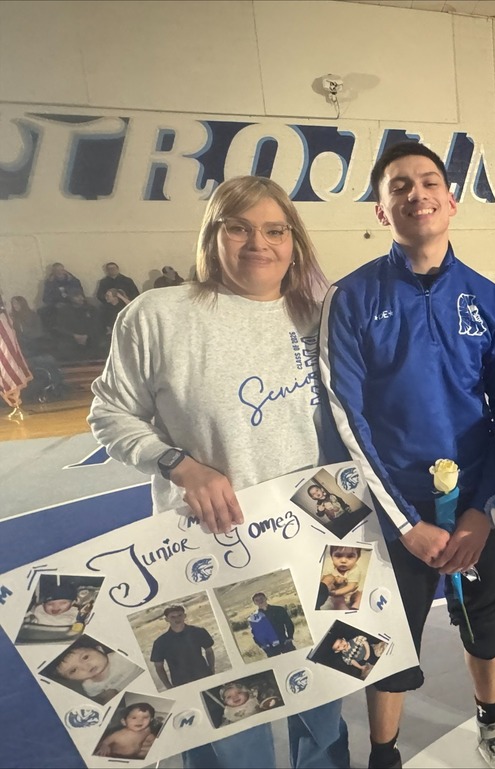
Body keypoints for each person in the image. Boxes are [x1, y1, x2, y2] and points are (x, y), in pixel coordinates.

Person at [87, 174, 349, 769]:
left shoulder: (321, 315)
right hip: (205, 547)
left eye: (274, 229)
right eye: (239, 227)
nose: (259, 242)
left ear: (294, 240)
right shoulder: (157, 315)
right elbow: (109, 414)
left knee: (325, 707)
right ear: (213, 235)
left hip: (316, 543)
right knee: (229, 721)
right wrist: (180, 465)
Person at [321, 141, 495, 769]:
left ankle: (491, 724)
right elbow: (343, 418)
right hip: (386, 512)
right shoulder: (351, 297)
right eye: (399, 187)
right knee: (380, 639)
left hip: (473, 506)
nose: (417, 194)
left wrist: (481, 511)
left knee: (483, 620)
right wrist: (404, 524)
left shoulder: (492, 300)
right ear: (382, 211)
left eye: (429, 181)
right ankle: (383, 756)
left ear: (452, 200)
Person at [150, 604, 215, 689]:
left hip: (204, 676)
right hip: (181, 683)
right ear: (167, 619)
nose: (177, 619)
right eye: (172, 617)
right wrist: (168, 686)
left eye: (180, 615)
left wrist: (212, 669)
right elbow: (159, 666)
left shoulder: (199, 632)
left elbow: (209, 651)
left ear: (185, 616)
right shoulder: (160, 642)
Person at [53, 643, 140, 704]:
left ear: (100, 650)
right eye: (73, 670)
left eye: (85, 657)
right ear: (70, 679)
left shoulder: (121, 657)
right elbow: (107, 695)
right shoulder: (89, 686)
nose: (85, 667)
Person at [53, 288, 106, 360]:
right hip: (71, 337)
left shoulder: (91, 309)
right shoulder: (64, 311)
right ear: (70, 298)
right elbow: (60, 327)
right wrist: (74, 336)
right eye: (77, 296)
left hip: (89, 337)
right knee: (63, 347)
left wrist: (86, 336)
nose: (81, 298)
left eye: (81, 296)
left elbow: (97, 325)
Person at [250, 591, 296, 657]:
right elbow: (255, 634)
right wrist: (262, 646)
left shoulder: (278, 610)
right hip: (270, 648)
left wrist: (290, 637)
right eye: (257, 600)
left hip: (284, 642)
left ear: (266, 598)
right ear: (254, 603)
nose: (260, 601)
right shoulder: (255, 617)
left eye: (261, 598)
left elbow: (288, 623)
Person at [320, 546, 363, 610]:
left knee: (360, 595)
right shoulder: (330, 567)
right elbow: (324, 581)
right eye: (338, 555)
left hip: (351, 592)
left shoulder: (355, 569)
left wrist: (335, 593)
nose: (343, 560)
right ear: (331, 556)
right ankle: (344, 611)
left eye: (350, 556)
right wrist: (334, 580)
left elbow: (351, 586)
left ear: (357, 558)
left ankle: (355, 607)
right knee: (338, 601)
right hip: (337, 595)